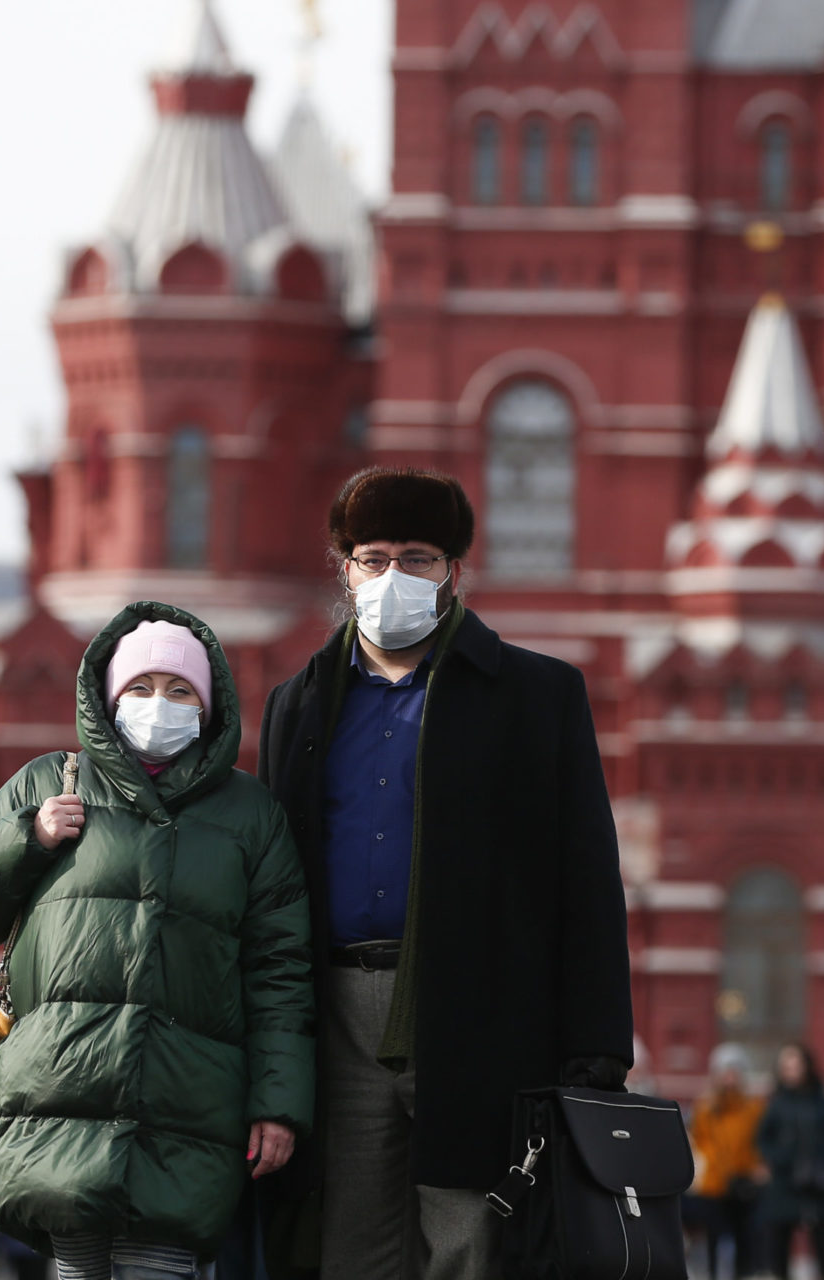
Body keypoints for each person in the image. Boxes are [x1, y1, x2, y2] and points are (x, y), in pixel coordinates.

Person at [256, 468, 633, 1280]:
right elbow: (270, 885)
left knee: (470, 1235)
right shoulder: (298, 703)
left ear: (454, 570)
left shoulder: (535, 696)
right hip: (338, 1011)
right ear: (345, 569)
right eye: (374, 557)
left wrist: (598, 1046)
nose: (393, 576)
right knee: (350, 1243)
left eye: (418, 558)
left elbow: (587, 879)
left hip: (479, 1008)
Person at [0, 604, 315, 1280]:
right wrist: (28, 838)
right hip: (59, 1094)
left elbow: (279, 971)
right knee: (77, 1267)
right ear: (109, 698)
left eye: (180, 690)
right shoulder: (50, 782)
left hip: (185, 1107)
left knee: (162, 1264)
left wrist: (277, 1105)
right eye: (141, 686)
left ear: (208, 706)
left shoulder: (251, 816)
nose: (158, 704)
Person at [756, 1043, 824, 1280]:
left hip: (819, 1186)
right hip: (784, 1184)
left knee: (823, 1247)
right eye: (786, 1066)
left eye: (795, 1065)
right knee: (778, 1244)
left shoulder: (823, 1102)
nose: (791, 1071)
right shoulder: (776, 1104)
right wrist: (780, 1158)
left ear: (807, 1066)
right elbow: (762, 1140)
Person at [686, 1043, 766, 1280]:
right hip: (713, 1183)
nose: (730, 1077)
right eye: (725, 1071)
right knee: (711, 1237)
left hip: (743, 1182)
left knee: (744, 1238)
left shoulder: (753, 1108)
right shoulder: (705, 1107)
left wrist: (754, 1168)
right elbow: (699, 1141)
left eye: (734, 1071)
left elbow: (757, 1142)